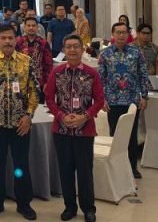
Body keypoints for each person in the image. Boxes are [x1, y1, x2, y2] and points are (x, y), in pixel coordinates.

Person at [0, 25, 37, 220]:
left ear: (16, 39)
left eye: (10, 38)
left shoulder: (26, 61)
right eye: (3, 38)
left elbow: (34, 90)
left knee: (21, 165)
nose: (7, 41)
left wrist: (28, 115)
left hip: (21, 124)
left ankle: (24, 203)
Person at [45, 34, 104, 222]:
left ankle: (89, 209)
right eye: (68, 46)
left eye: (76, 46)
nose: (72, 50)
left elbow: (99, 100)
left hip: (84, 131)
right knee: (66, 170)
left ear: (82, 49)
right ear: (63, 50)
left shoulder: (92, 73)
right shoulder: (56, 72)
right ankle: (69, 207)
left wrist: (84, 117)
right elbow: (49, 99)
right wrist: (61, 116)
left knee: (85, 171)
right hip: (61, 130)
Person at [98, 22, 148, 180]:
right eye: (118, 32)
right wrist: (101, 99)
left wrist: (144, 95)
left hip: (132, 100)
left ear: (128, 34)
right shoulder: (105, 54)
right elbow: (100, 78)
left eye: (124, 32)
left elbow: (143, 75)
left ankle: (132, 167)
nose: (121, 35)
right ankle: (117, 167)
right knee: (115, 135)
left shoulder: (136, 52)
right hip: (112, 100)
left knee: (132, 135)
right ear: (113, 34)